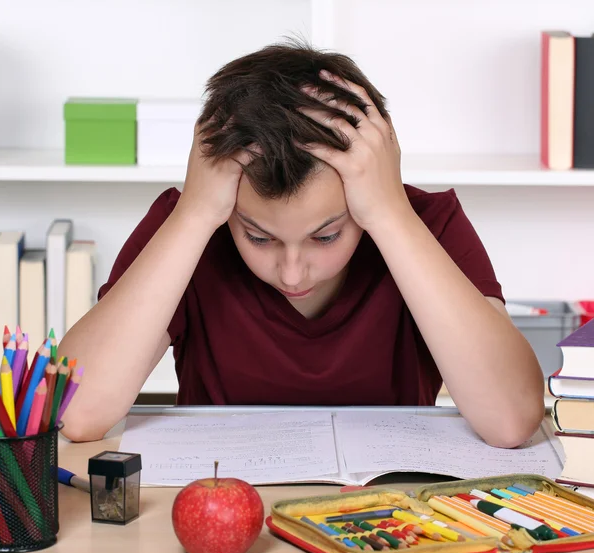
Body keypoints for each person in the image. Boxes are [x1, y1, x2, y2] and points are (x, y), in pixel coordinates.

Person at [59, 41, 544, 446]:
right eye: (259, 237)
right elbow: (75, 414)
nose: (293, 273)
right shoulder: (187, 224)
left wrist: (389, 212)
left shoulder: (424, 225)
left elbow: (510, 420)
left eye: (326, 235)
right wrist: (195, 213)